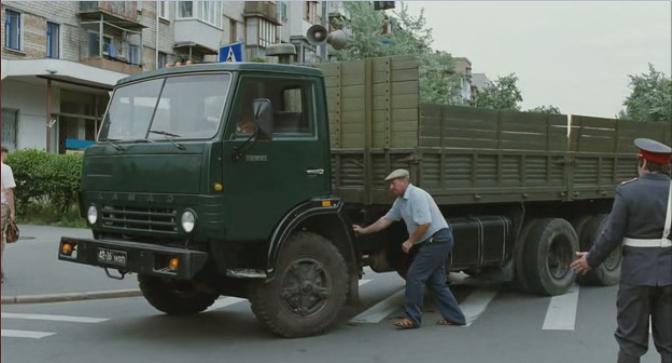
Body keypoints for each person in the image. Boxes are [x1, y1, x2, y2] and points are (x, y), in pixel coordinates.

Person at [571, 138, 672, 363]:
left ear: (643, 162)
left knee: (630, 343)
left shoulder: (628, 192)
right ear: (667, 166)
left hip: (636, 276)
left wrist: (591, 260)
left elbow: (611, 234)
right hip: (669, 277)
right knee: (669, 345)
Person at [353, 169, 466, 329]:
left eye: (393, 183)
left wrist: (410, 241)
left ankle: (413, 318)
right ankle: (456, 318)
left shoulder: (416, 195)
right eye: (389, 185)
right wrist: (364, 231)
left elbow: (425, 223)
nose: (390, 187)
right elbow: (385, 220)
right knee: (436, 282)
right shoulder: (401, 201)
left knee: (414, 276)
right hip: (433, 241)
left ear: (405, 181)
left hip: (438, 240)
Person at [1, 146, 16, 284]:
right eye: (5, 155)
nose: (6, 157)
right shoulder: (5, 169)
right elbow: (9, 192)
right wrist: (12, 211)